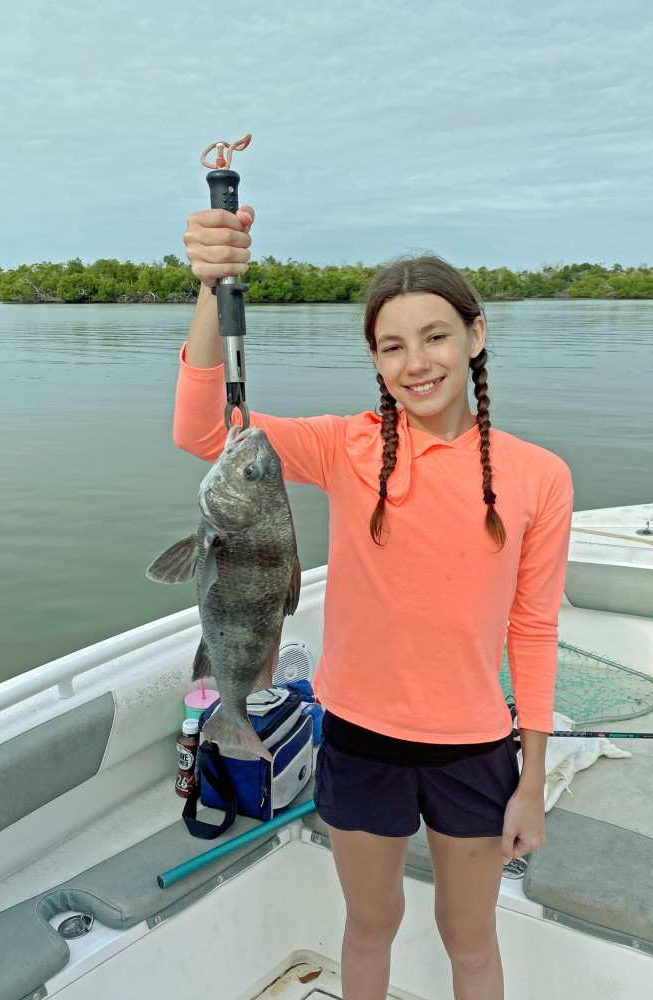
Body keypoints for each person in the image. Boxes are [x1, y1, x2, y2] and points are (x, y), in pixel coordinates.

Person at [174, 205, 574, 1000]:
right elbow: (201, 432)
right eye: (390, 346)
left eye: (434, 336)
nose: (414, 362)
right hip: (358, 738)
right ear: (375, 361)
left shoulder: (539, 476)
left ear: (475, 336)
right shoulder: (347, 446)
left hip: (473, 749)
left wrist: (531, 777)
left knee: (469, 940)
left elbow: (531, 630)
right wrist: (209, 290)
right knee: (368, 927)